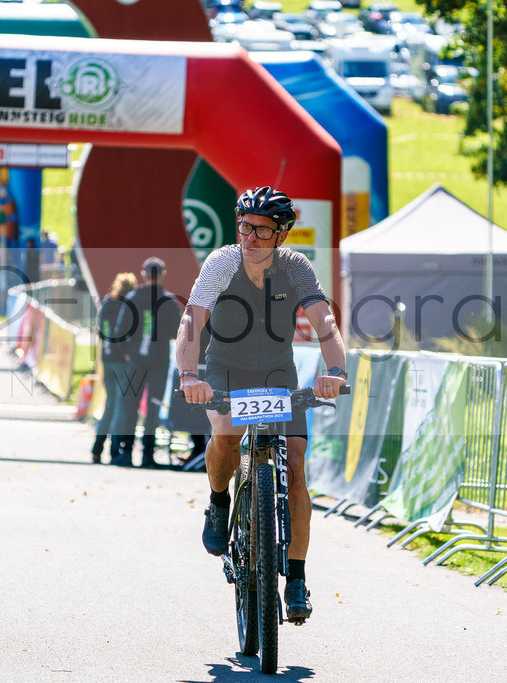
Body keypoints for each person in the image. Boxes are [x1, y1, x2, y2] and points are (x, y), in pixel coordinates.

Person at [176, 186, 347, 623]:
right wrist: (190, 376)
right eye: (244, 227)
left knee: (293, 466)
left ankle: (295, 577)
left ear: (281, 237)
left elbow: (323, 321)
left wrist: (336, 371)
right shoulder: (222, 262)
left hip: (277, 374)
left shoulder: (295, 268)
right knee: (226, 435)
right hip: (225, 369)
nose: (249, 238)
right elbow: (192, 320)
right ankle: (218, 502)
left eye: (262, 231)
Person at [109, 257, 183, 468]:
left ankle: (125, 453)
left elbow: (119, 331)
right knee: (153, 407)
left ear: (143, 274)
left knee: (129, 406)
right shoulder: (168, 300)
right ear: (162, 275)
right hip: (158, 361)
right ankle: (147, 456)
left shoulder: (133, 298)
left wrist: (128, 352)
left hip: (135, 361)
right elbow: (177, 331)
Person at [91, 271, 138, 464]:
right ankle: (114, 450)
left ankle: (97, 447)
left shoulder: (106, 304)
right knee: (121, 406)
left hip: (106, 360)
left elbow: (101, 332)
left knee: (109, 405)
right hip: (121, 361)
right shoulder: (127, 306)